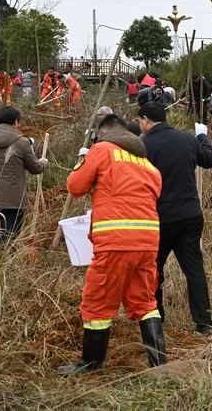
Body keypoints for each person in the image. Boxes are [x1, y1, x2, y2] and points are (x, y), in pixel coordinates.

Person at [58, 115, 166, 376]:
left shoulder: (102, 150)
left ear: (102, 133)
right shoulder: (147, 164)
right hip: (148, 242)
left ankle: (90, 364)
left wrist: (83, 159)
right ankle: (159, 363)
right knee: (145, 301)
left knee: (98, 300)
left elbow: (75, 186)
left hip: (116, 241)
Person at [138, 102, 212, 334]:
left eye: (139, 121)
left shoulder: (144, 146)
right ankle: (204, 323)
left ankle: (156, 318)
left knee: (154, 269)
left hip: (158, 218)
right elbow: (210, 159)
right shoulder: (187, 140)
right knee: (194, 269)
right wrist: (202, 137)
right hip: (190, 215)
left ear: (145, 120)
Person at [0, 107, 49, 245]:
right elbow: (35, 168)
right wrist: (44, 162)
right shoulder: (22, 142)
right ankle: (7, 264)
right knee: (10, 237)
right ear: (16, 122)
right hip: (13, 200)